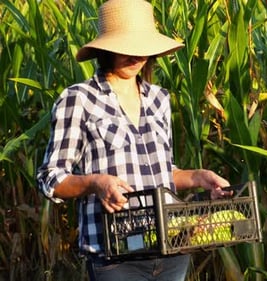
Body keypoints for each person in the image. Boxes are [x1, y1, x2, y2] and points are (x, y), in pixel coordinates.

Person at [36, 0, 231, 280]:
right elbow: (50, 179)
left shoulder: (159, 99)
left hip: (171, 251)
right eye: (126, 49)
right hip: (115, 256)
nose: (136, 57)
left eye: (142, 49)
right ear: (106, 49)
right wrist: (95, 183)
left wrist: (199, 177)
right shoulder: (79, 99)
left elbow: (161, 173)